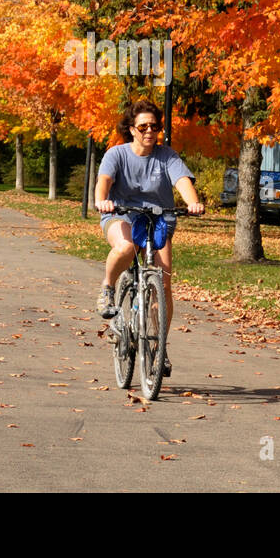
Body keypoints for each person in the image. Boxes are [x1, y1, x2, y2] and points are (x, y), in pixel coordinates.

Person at [94, 99, 204, 378]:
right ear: (132, 129)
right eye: (143, 126)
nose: (149, 131)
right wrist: (102, 201)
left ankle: (160, 347)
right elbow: (103, 182)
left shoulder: (167, 156)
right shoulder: (116, 154)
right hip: (122, 215)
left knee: (163, 279)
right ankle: (107, 287)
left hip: (158, 218)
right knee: (126, 247)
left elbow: (182, 182)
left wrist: (193, 202)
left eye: (154, 126)